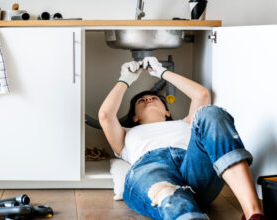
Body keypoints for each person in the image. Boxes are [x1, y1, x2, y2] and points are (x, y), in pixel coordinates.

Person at [98, 57, 265, 220]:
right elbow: (105, 115)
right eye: (141, 100)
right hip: (152, 169)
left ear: (167, 112)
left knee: (210, 112)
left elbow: (201, 94)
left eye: (155, 98)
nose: (148, 98)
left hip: (195, 168)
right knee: (167, 193)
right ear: (134, 117)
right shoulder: (126, 133)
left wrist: (162, 72)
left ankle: (253, 214)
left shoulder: (186, 123)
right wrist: (125, 80)